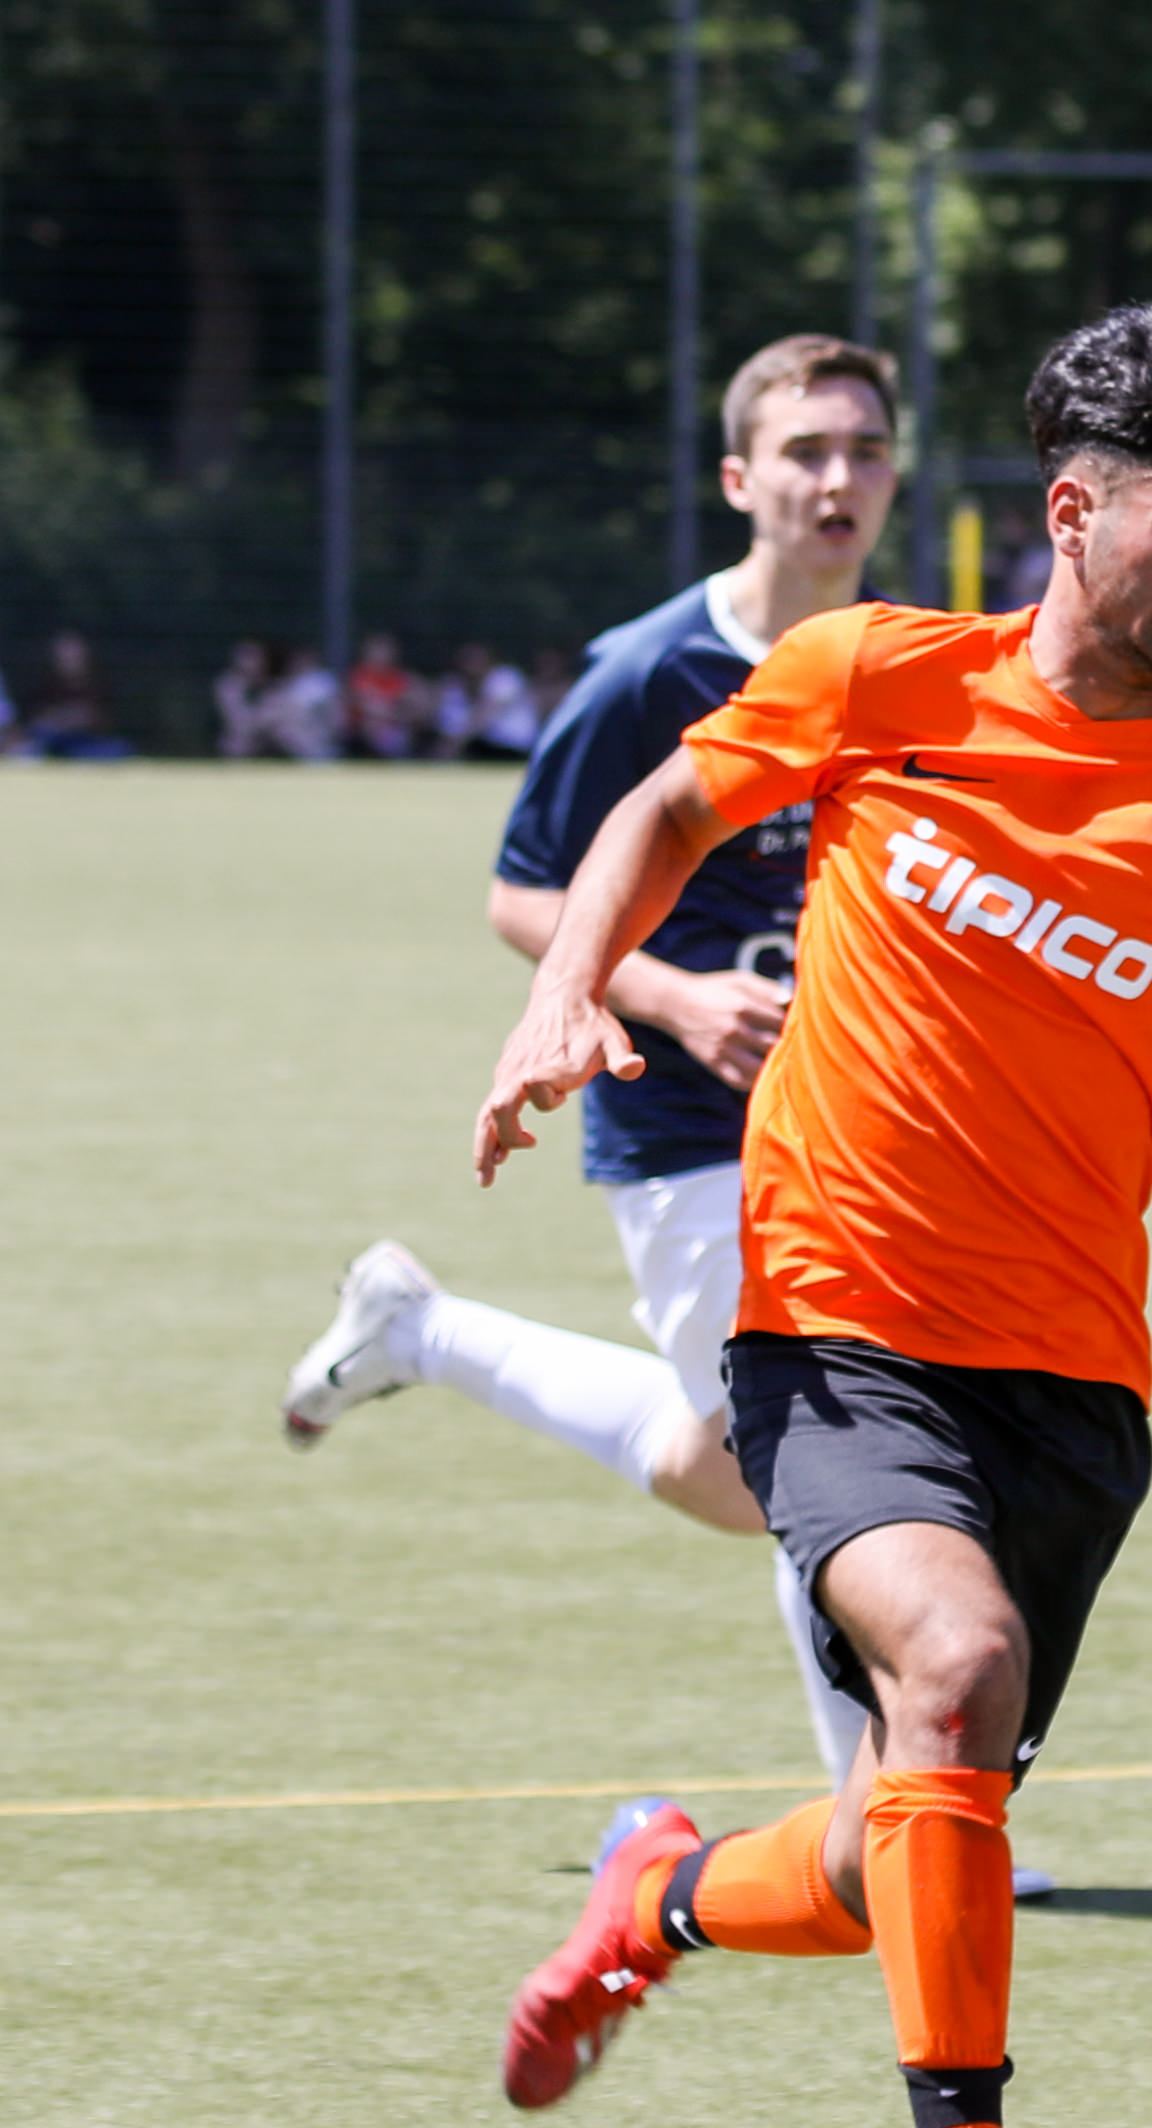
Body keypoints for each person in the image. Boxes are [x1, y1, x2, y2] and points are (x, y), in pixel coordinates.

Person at [472, 301, 1152, 2128]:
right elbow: (650, 821)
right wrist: (571, 992)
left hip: (1071, 1380)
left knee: (887, 1845)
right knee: (957, 1661)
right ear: (1071, 513)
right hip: (831, 1318)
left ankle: (655, 1892)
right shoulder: (877, 673)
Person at [281, 334, 908, 1790]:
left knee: (736, 1468)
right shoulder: (646, 671)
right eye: (806, 451)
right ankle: (894, 1829)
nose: (839, 478)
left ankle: (422, 1333)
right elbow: (524, 895)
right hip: (681, 1120)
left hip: (861, 1127)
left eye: (867, 450)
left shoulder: (909, 660)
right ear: (739, 477)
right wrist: (677, 997)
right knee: (821, 1462)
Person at [342, 630, 428, 758]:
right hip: (361, 731)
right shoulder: (359, 676)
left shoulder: (399, 677)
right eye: (377, 650)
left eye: (386, 650)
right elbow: (366, 706)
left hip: (396, 725)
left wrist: (402, 713)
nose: (382, 655)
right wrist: (394, 713)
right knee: (373, 723)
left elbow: (419, 707)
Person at [268, 645, 343, 761]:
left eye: (303, 659)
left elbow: (333, 711)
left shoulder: (324, 681)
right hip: (292, 727)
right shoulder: (289, 682)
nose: (299, 663)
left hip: (317, 727)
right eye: (297, 660)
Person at [214, 640, 280, 758]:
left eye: (255, 657)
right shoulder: (228, 685)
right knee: (236, 743)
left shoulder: (273, 684)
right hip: (241, 740)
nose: (251, 663)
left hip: (271, 737)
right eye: (247, 657)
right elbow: (238, 722)